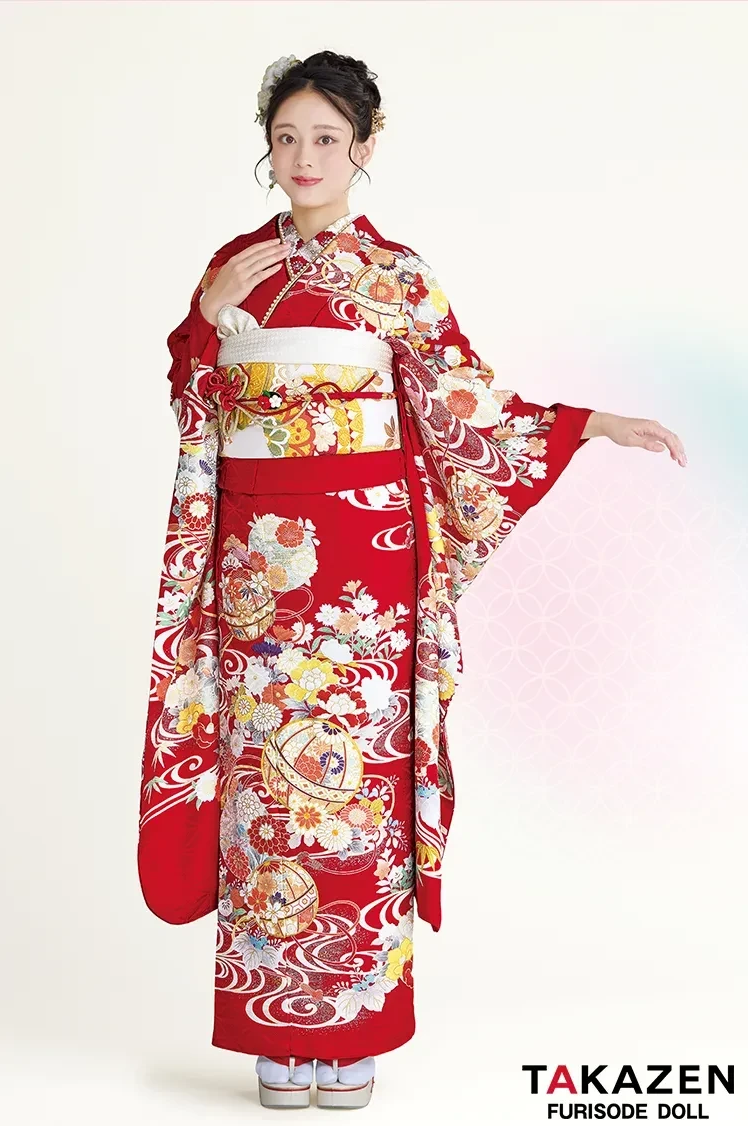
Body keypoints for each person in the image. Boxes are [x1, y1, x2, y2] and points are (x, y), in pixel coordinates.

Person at [137, 50, 687, 1110]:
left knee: (356, 788)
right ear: (267, 148)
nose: (304, 158)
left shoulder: (397, 276)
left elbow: (465, 406)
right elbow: (192, 401)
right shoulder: (234, 265)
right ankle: (273, 1024)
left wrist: (587, 424)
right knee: (265, 789)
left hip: (363, 566)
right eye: (286, 138)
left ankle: (353, 1028)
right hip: (257, 570)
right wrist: (207, 315)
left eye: (326, 139)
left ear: (365, 146)